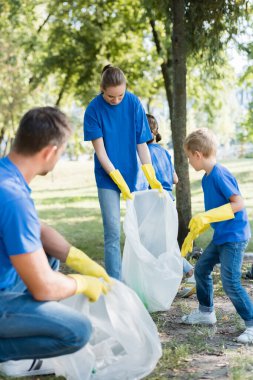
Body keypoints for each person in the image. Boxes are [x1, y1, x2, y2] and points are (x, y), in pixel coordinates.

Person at [0, 107, 112, 378]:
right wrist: (82, 283)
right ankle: (11, 355)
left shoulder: (7, 177)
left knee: (50, 255)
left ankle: (19, 330)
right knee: (78, 331)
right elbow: (44, 288)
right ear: (50, 151)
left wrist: (78, 259)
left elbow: (38, 231)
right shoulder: (12, 197)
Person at [83, 65, 163, 280]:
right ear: (102, 89)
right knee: (112, 233)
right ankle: (116, 286)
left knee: (140, 230)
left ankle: (142, 278)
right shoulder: (93, 109)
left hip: (133, 173)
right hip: (108, 177)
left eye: (120, 95)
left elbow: (142, 144)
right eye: (111, 96)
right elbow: (100, 152)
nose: (116, 100)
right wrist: (117, 179)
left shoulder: (134, 103)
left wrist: (150, 175)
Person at [181, 128, 252, 344]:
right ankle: (206, 312)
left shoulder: (220, 174)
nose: (189, 161)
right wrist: (200, 226)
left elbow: (238, 203)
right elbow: (216, 209)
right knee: (201, 269)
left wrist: (208, 216)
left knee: (230, 281)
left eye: (188, 157)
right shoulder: (206, 178)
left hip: (234, 237)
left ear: (197, 154)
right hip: (222, 236)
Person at [145, 114, 196, 297]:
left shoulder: (143, 152)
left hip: (154, 202)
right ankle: (181, 277)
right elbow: (175, 179)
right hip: (169, 202)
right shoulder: (164, 152)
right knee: (166, 243)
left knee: (156, 245)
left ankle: (188, 272)